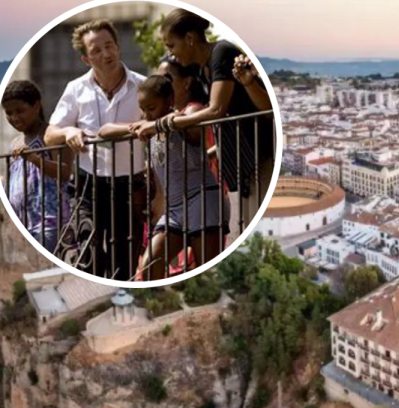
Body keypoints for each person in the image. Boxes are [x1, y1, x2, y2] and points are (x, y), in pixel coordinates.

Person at [132, 8, 275, 242]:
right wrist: (209, 153)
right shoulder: (203, 68)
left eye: (171, 46)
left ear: (189, 39)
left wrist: (162, 125)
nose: (172, 54)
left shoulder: (221, 52)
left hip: (260, 153)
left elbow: (217, 110)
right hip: (246, 156)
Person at [45, 19, 149, 281]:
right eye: (96, 50)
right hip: (88, 187)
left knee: (124, 261)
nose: (106, 54)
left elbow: (156, 125)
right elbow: (50, 135)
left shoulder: (142, 87)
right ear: (85, 58)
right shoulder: (75, 89)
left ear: (118, 47)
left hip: (130, 187)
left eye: (109, 45)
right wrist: (69, 131)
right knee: (89, 254)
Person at [101, 75, 227, 281]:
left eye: (151, 108)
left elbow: (196, 125)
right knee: (151, 265)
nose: (146, 114)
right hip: (175, 209)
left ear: (169, 101)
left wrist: (160, 125)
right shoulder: (148, 127)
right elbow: (104, 131)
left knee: (207, 270)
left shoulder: (184, 116)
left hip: (201, 200)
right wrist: (137, 127)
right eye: (142, 109)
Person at [2, 80, 73, 253]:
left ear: (36, 106)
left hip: (48, 223)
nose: (15, 118)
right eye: (9, 113)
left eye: (20, 111)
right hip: (21, 224)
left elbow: (64, 172)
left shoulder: (50, 135)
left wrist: (34, 158)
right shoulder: (15, 143)